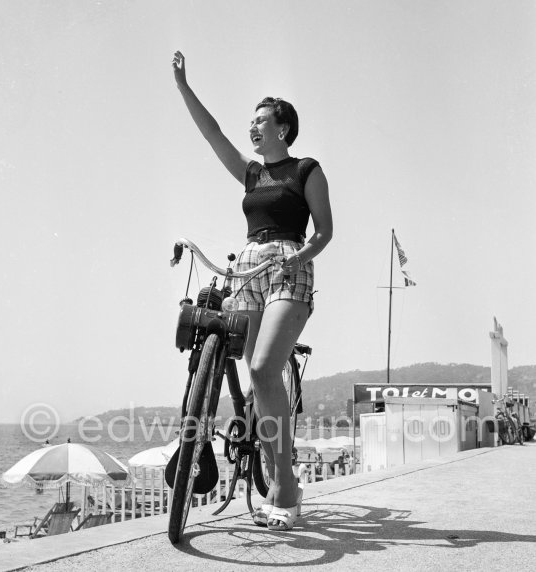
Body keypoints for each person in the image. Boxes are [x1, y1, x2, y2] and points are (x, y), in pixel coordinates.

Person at [172, 51, 333, 531]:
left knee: (263, 368)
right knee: (258, 385)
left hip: (289, 268)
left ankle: (284, 482)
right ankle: (274, 470)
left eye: (260, 120)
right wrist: (183, 86)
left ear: (282, 128)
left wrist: (298, 257)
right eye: (252, 121)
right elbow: (213, 133)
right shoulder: (251, 173)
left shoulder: (306, 170)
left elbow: (323, 232)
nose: (252, 127)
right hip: (247, 270)